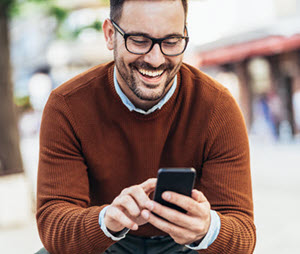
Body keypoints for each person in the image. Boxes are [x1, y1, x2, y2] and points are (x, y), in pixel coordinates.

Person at [36, 0, 256, 253]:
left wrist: (207, 230)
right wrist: (108, 220)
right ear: (110, 35)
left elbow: (243, 234)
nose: (155, 59)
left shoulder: (218, 107)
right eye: (139, 40)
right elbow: (52, 223)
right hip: (105, 238)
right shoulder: (68, 106)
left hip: (186, 244)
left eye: (171, 42)